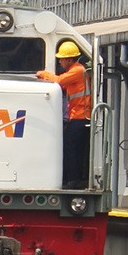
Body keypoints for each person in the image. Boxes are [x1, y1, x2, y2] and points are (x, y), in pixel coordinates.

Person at [37, 41, 91, 189]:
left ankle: (72, 179)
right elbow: (64, 85)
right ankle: (75, 178)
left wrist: (43, 74)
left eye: (62, 58)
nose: (60, 61)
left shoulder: (77, 70)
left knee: (69, 146)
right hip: (79, 117)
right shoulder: (76, 72)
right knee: (76, 148)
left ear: (69, 59)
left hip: (80, 117)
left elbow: (60, 81)